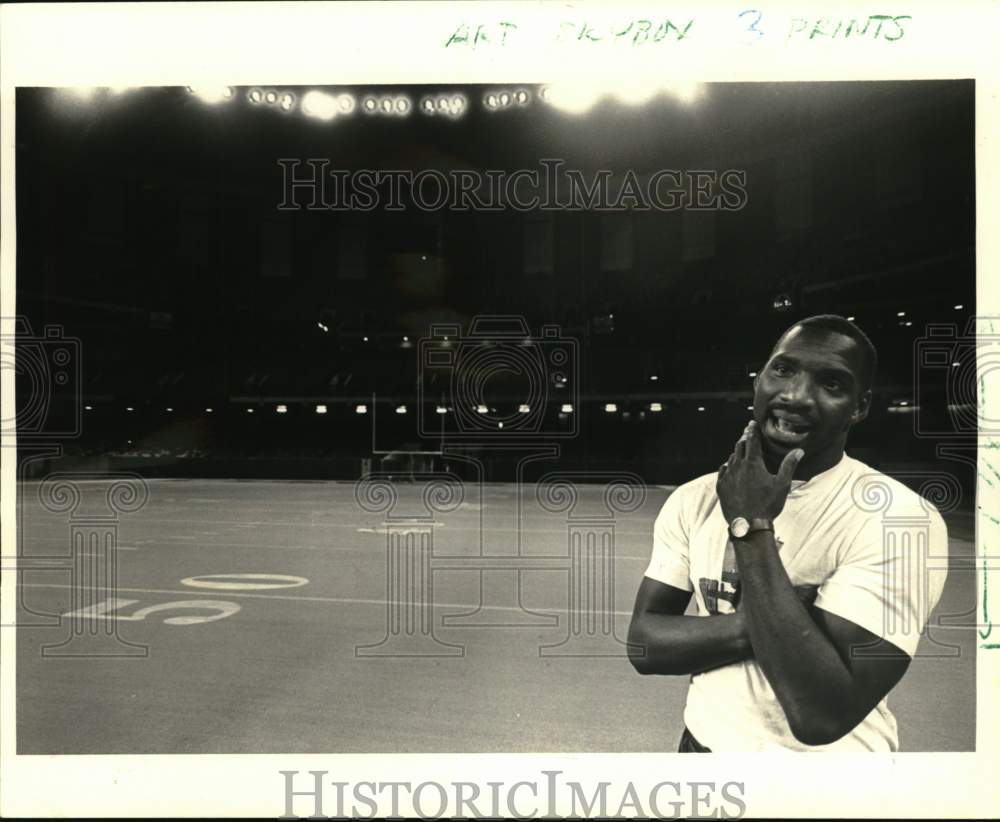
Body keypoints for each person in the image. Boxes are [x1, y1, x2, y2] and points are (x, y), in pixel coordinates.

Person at [628, 314, 948, 751]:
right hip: (700, 752)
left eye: (831, 384)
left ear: (859, 406)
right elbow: (645, 645)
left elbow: (821, 713)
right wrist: (782, 624)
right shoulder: (695, 499)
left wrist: (751, 526)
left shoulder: (898, 518)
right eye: (783, 369)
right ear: (758, 380)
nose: (796, 396)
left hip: (826, 784)